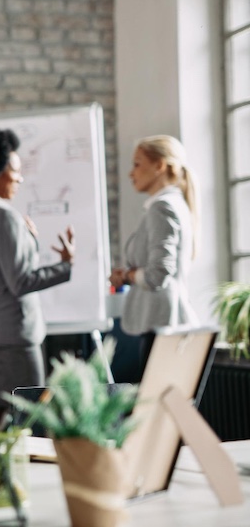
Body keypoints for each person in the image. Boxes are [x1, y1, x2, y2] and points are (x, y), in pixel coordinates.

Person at [0, 127, 74, 426]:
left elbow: (1, 274)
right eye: (15, 171)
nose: (20, 179)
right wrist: (65, 265)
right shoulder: (5, 216)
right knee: (35, 420)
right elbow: (20, 282)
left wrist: (30, 241)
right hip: (14, 337)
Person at [109, 135, 198, 381]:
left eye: (137, 164)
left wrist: (126, 275)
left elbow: (158, 274)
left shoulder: (163, 207)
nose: (131, 173)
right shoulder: (171, 204)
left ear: (159, 166)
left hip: (160, 323)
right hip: (162, 322)